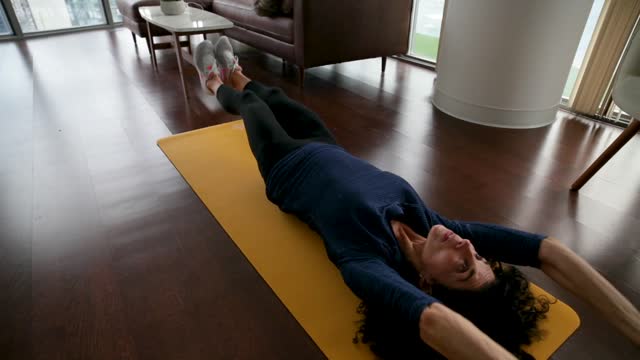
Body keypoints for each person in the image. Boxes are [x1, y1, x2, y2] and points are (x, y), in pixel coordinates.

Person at [194, 37, 640, 359]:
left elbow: (434, 321)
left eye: (463, 269)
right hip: (326, 145)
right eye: (478, 256)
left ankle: (214, 83)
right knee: (273, 95)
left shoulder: (364, 260)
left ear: (426, 284)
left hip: (284, 168)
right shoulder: (438, 226)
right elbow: (549, 250)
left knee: (253, 109)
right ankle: (238, 71)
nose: (467, 247)